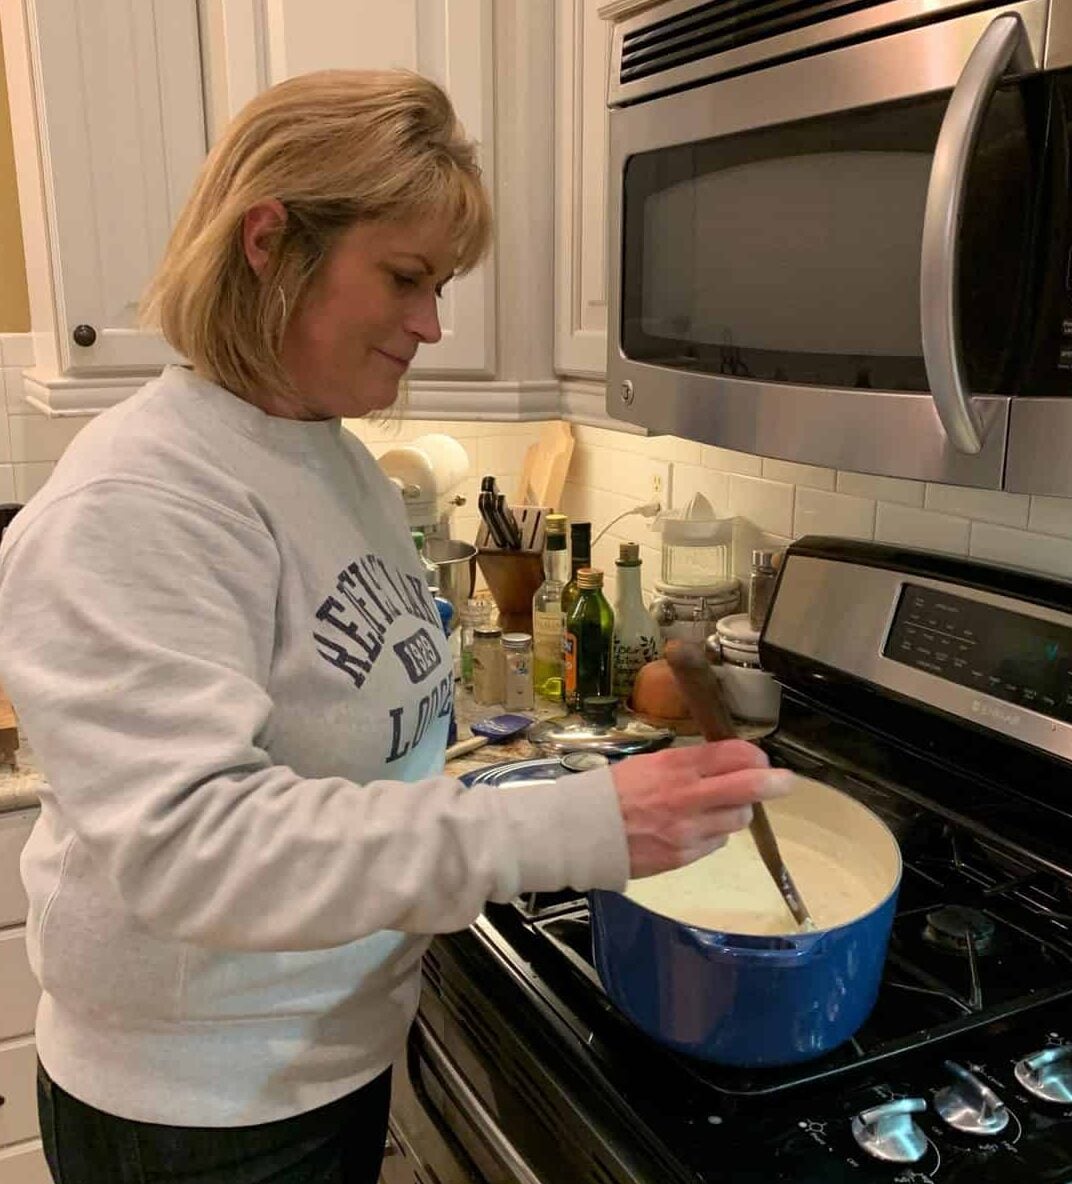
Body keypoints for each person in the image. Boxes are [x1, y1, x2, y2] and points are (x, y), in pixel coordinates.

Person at [0, 70, 792, 1183]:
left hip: (325, 1048)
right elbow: (196, 849)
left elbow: (362, 721)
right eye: (407, 277)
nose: (429, 323)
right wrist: (567, 827)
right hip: (203, 1109)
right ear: (269, 241)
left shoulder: (329, 456)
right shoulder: (136, 502)